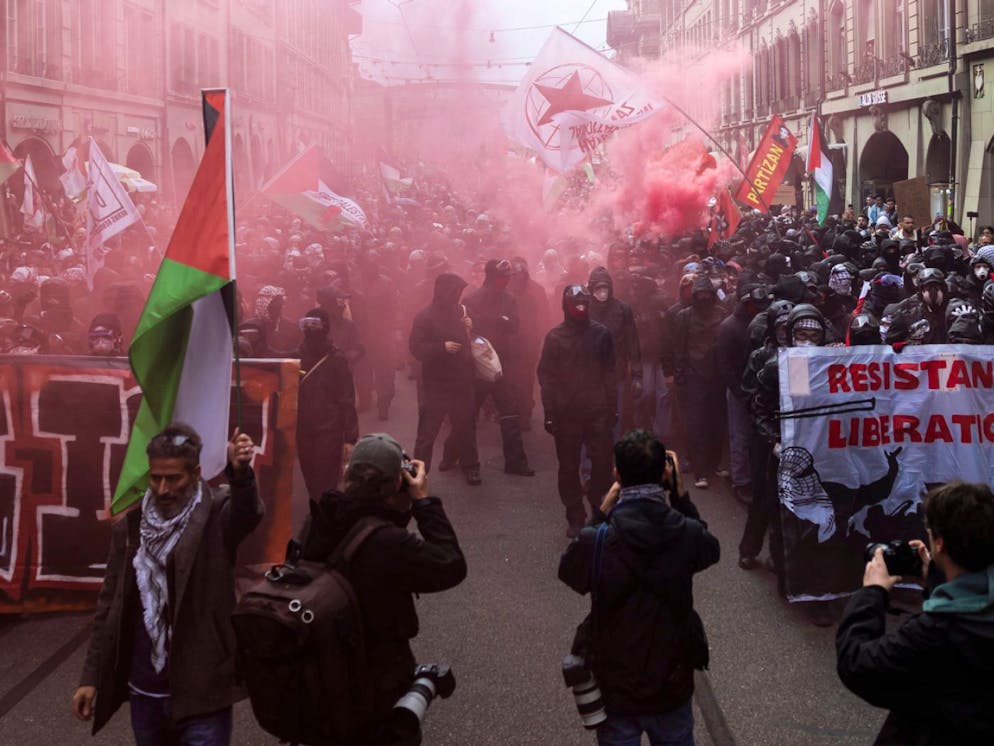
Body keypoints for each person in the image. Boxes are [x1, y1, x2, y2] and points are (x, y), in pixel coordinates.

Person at [73, 424, 263, 743]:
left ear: (196, 473)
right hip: (145, 693)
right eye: (156, 477)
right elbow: (109, 606)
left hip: (202, 696)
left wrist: (240, 474)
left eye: (173, 478)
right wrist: (90, 677)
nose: (163, 489)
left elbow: (248, 513)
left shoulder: (216, 515)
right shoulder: (131, 529)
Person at [300, 432, 467, 745]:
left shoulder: (321, 517)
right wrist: (424, 503)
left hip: (321, 682)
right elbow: (451, 564)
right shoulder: (387, 542)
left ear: (347, 475)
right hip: (373, 692)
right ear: (395, 485)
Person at [558, 430, 720, 746]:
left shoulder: (599, 539)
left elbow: (571, 573)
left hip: (615, 686)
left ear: (617, 473)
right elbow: (709, 550)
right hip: (671, 683)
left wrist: (601, 512)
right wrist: (682, 499)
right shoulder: (686, 533)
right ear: (665, 475)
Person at [836, 481, 994, 743]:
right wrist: (936, 580)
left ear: (939, 543)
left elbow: (857, 664)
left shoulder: (936, 632)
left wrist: (872, 592)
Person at [539, 285, 617, 537]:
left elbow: (609, 372)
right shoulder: (554, 337)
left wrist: (612, 406)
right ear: (566, 307)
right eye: (576, 305)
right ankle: (575, 516)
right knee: (569, 467)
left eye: (585, 304)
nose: (581, 309)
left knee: (603, 464)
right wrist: (549, 412)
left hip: (597, 410)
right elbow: (546, 377)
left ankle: (598, 506)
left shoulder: (601, 334)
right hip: (566, 413)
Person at [462, 258, 535, 476]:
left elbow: (515, 325)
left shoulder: (509, 299)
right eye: (503, 277)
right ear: (492, 277)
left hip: (501, 364)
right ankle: (468, 464)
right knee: (467, 416)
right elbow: (466, 332)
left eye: (508, 277)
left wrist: (504, 322)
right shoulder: (472, 299)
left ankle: (515, 462)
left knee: (510, 414)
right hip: (478, 366)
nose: (507, 281)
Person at [409, 272, 481, 485]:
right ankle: (417, 475)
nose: (457, 296)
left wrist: (471, 326)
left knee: (466, 427)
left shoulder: (464, 312)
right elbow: (415, 348)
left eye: (459, 292)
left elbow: (476, 342)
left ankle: (471, 467)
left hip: (462, 380)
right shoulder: (425, 316)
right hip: (436, 384)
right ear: (442, 292)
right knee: (426, 434)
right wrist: (442, 348)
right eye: (454, 292)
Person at [296, 307, 359, 501]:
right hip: (303, 430)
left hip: (329, 431)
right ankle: (318, 516)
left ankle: (324, 521)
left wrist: (350, 438)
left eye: (314, 324)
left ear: (325, 327)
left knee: (326, 482)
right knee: (310, 479)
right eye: (305, 325)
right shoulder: (296, 356)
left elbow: (347, 399)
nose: (309, 329)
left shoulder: (337, 359)